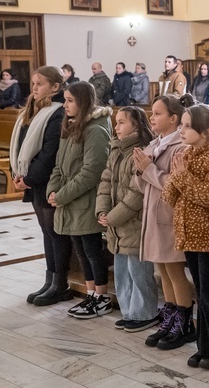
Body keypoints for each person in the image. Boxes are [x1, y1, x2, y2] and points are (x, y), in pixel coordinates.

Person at [163, 104, 209, 366]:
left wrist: (183, 177)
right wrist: (176, 176)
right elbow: (169, 196)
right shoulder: (186, 154)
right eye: (181, 125)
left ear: (206, 132)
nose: (181, 130)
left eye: (187, 126)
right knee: (201, 291)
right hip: (189, 234)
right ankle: (206, 346)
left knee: (208, 292)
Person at [9, 66, 73, 305]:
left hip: (48, 180)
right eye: (33, 83)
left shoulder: (58, 112)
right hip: (34, 181)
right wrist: (17, 173)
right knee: (47, 232)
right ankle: (50, 281)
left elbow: (49, 152)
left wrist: (29, 178)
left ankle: (61, 284)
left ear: (55, 87)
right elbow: (21, 144)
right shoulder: (34, 109)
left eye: (40, 84)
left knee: (56, 233)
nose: (34, 88)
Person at [47, 82, 112, 319]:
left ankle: (102, 298)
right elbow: (58, 165)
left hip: (87, 200)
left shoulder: (95, 130)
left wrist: (62, 195)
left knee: (92, 250)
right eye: (64, 100)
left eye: (70, 100)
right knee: (82, 251)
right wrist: (52, 190)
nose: (65, 105)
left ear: (83, 102)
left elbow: (92, 172)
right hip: (71, 200)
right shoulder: (73, 125)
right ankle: (91, 294)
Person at [135, 95, 194, 349]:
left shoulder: (181, 148)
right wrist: (140, 170)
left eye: (158, 113)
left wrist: (148, 169)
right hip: (152, 215)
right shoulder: (155, 144)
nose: (152, 117)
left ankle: (184, 324)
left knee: (175, 272)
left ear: (173, 118)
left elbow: (176, 185)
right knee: (163, 272)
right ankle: (170, 320)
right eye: (152, 112)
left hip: (169, 219)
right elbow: (143, 185)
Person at [96, 106, 157, 332]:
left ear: (136, 125)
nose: (116, 127)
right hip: (116, 223)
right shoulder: (116, 150)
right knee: (122, 271)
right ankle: (129, 312)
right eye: (116, 122)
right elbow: (105, 182)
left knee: (139, 272)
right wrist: (102, 211)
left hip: (135, 223)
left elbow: (137, 192)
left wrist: (113, 216)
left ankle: (145, 314)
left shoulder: (141, 152)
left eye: (122, 122)